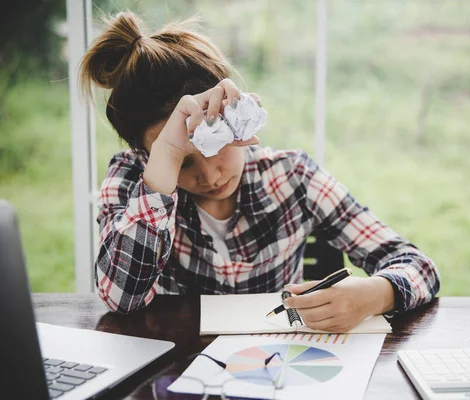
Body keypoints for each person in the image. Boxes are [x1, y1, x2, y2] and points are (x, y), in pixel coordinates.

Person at [80, 11, 440, 332]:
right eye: (181, 161)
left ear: (234, 120)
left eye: (214, 143)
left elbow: (418, 266)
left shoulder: (291, 176)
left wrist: (377, 294)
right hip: (176, 371)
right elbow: (121, 299)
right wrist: (162, 170)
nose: (209, 175)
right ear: (143, 154)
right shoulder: (132, 178)